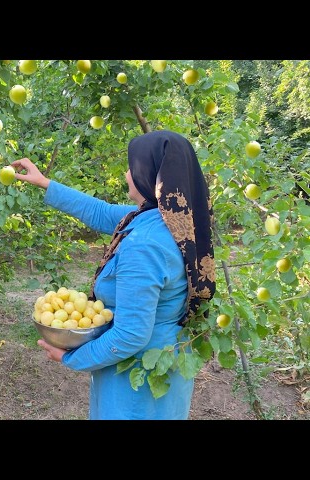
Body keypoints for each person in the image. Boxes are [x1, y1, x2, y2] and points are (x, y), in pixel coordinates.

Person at [11, 129, 216, 420]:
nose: (126, 174)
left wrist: (71, 357)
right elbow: (101, 211)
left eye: (132, 167)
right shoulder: (175, 219)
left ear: (150, 174)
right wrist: (45, 183)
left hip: (135, 385)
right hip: (165, 365)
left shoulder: (143, 246)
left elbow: (131, 335)